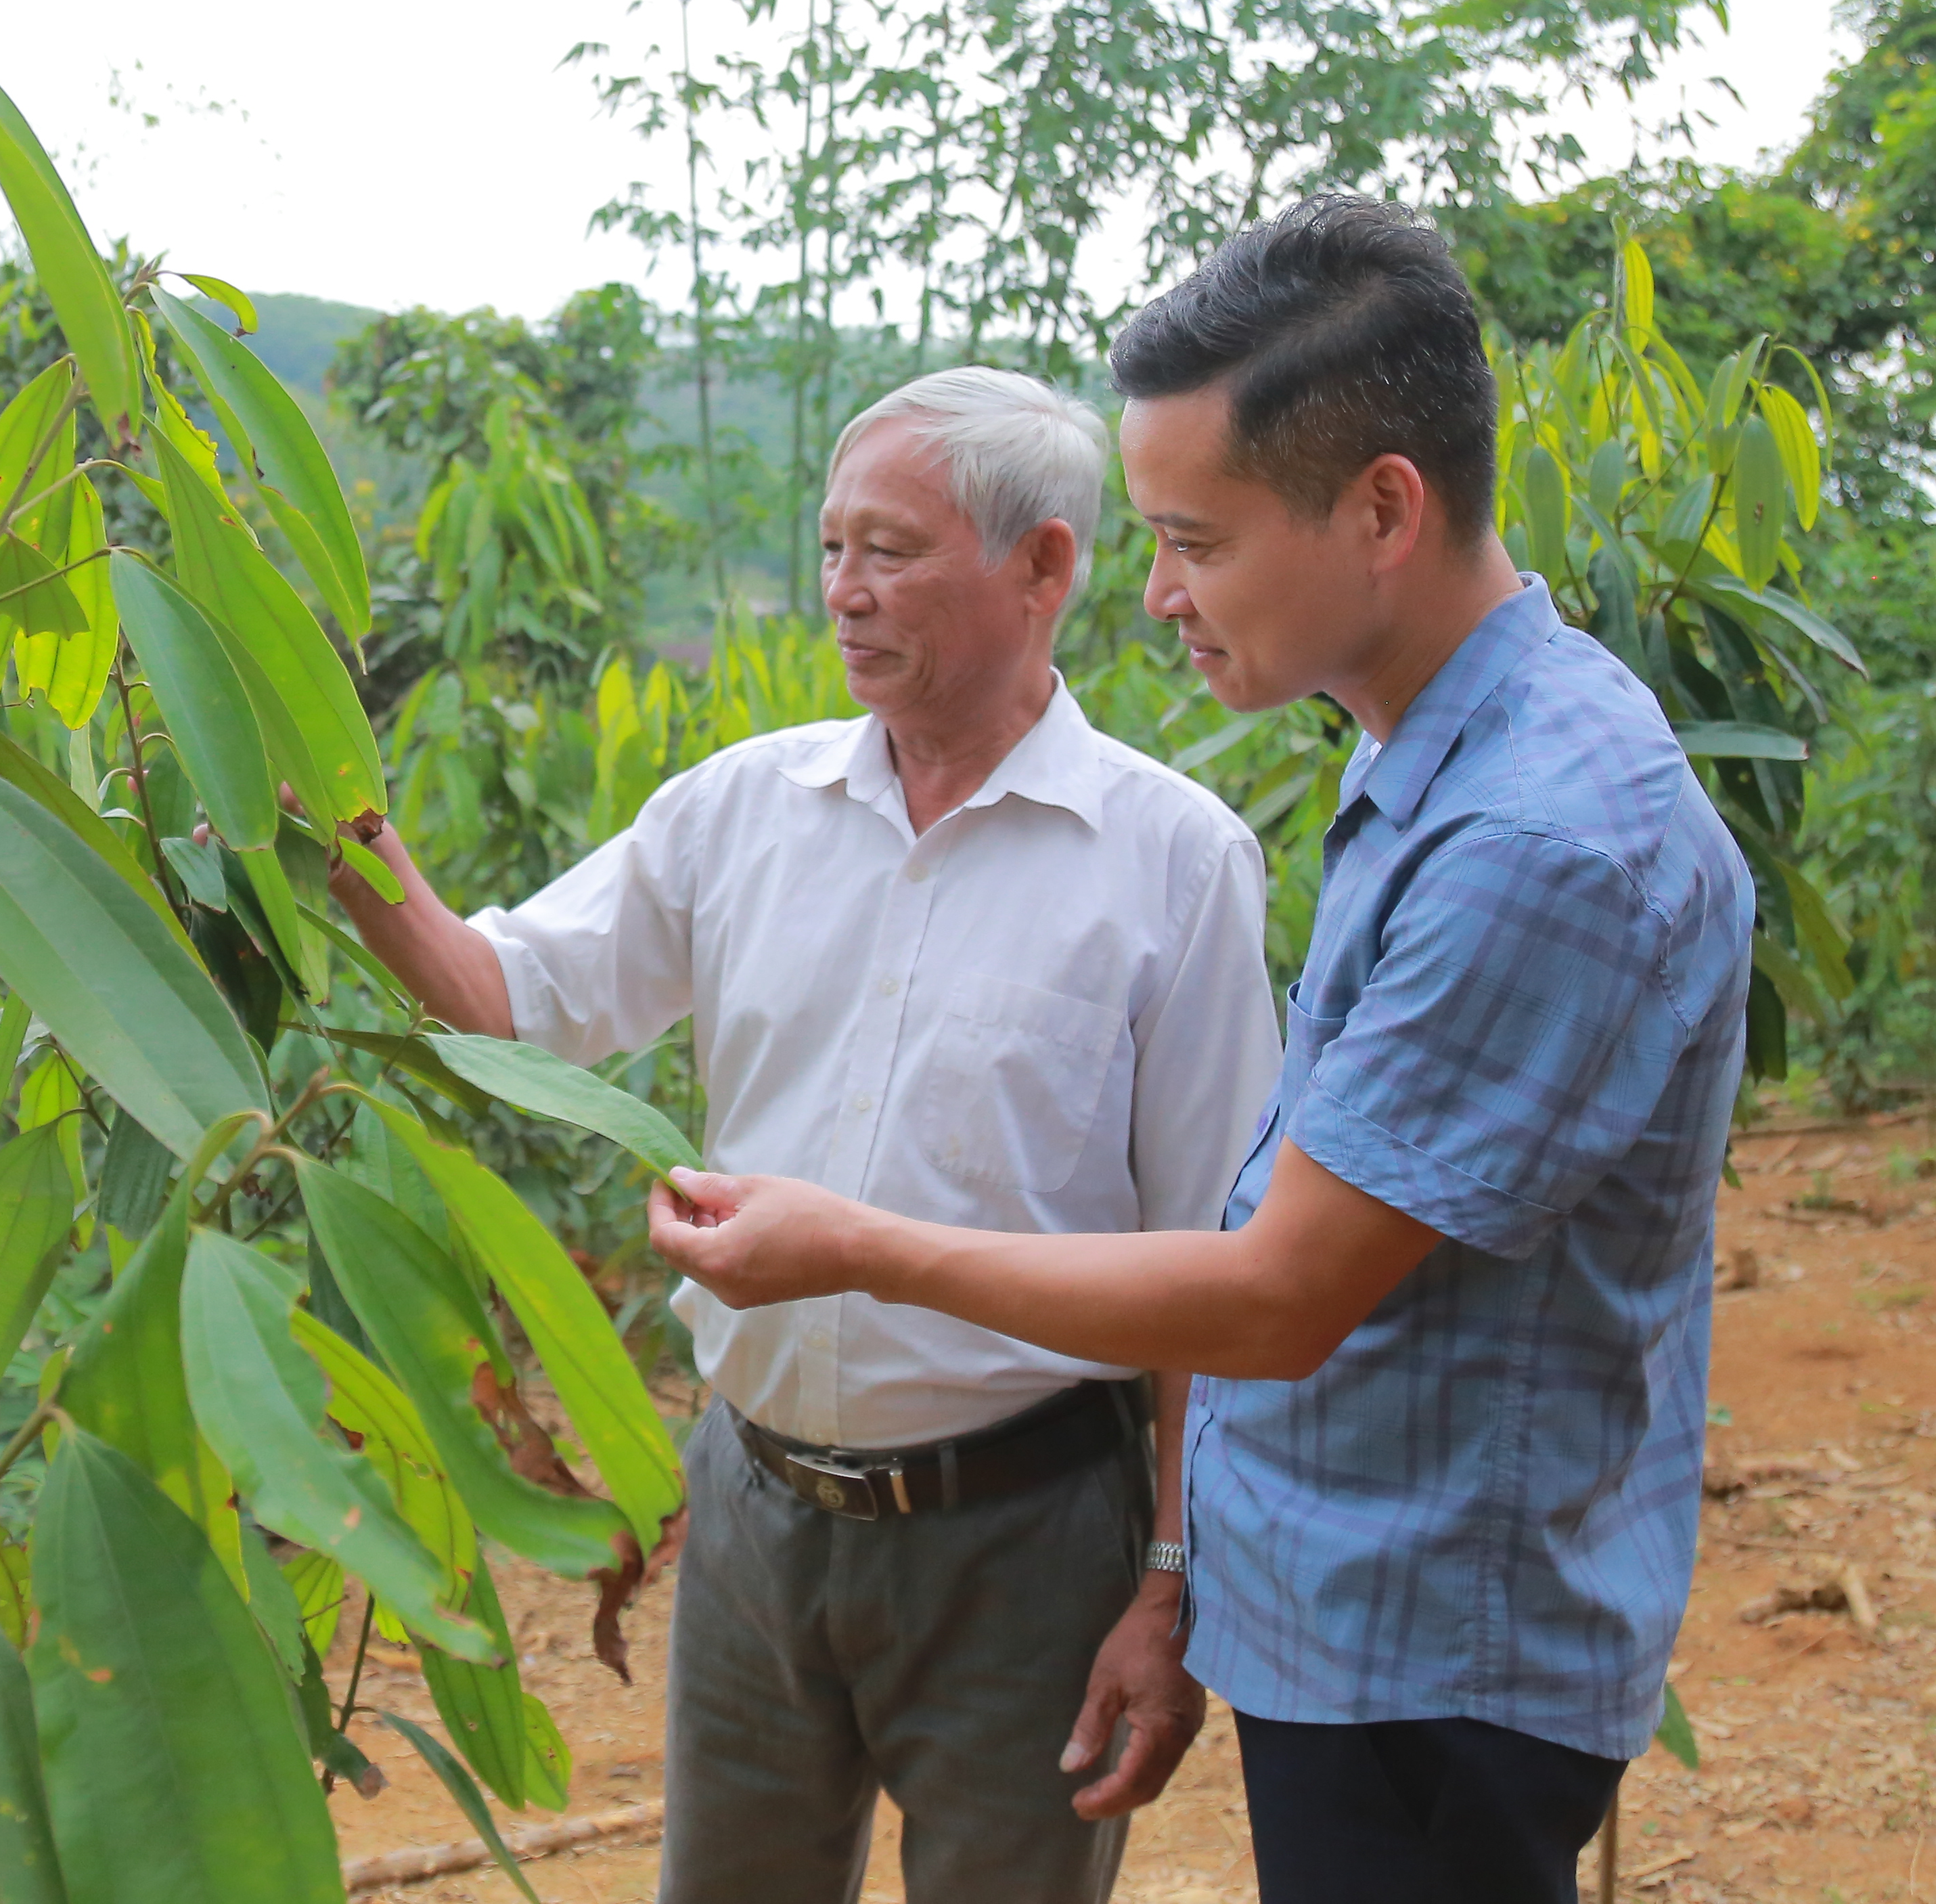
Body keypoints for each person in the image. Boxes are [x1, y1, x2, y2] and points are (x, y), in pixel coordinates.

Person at [643, 199, 1754, 1904]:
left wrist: (853, 1249)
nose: (1155, 594)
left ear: (1383, 508)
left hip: (1439, 1649)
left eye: (1198, 541)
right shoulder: (1438, 768)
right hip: (1364, 1610)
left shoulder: (1536, 839)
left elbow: (1274, 1293)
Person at [327, 366, 1279, 1904]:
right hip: (758, 1516)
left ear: (1044, 566)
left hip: (1026, 1541)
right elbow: (506, 997)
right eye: (832, 546)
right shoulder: (738, 814)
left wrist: (1171, 1585)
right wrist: (327, 834)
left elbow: (1212, 1278)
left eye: (891, 551)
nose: (844, 592)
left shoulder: (1171, 865)